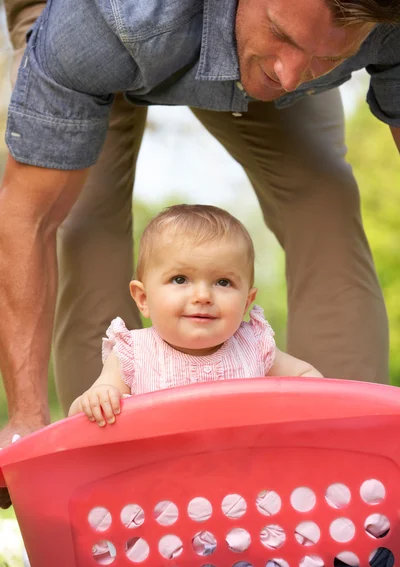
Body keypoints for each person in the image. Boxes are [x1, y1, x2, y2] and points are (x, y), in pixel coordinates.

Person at [0, 0, 399, 500]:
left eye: (324, 57)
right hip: (105, 27)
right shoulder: (108, 20)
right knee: (85, 225)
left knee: (323, 197)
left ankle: (345, 494)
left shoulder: (385, 21)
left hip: (250, 24)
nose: (292, 75)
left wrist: (310, 45)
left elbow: (303, 49)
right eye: (282, 37)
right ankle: (111, 502)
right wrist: (24, 419)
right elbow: (31, 218)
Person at [68, 205, 323, 425]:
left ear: (246, 302)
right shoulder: (133, 353)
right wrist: (94, 400)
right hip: (159, 476)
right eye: (180, 279)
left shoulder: (254, 346)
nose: (203, 296)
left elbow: (306, 378)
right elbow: (78, 416)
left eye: (223, 282)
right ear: (143, 299)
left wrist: (309, 406)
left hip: (245, 474)